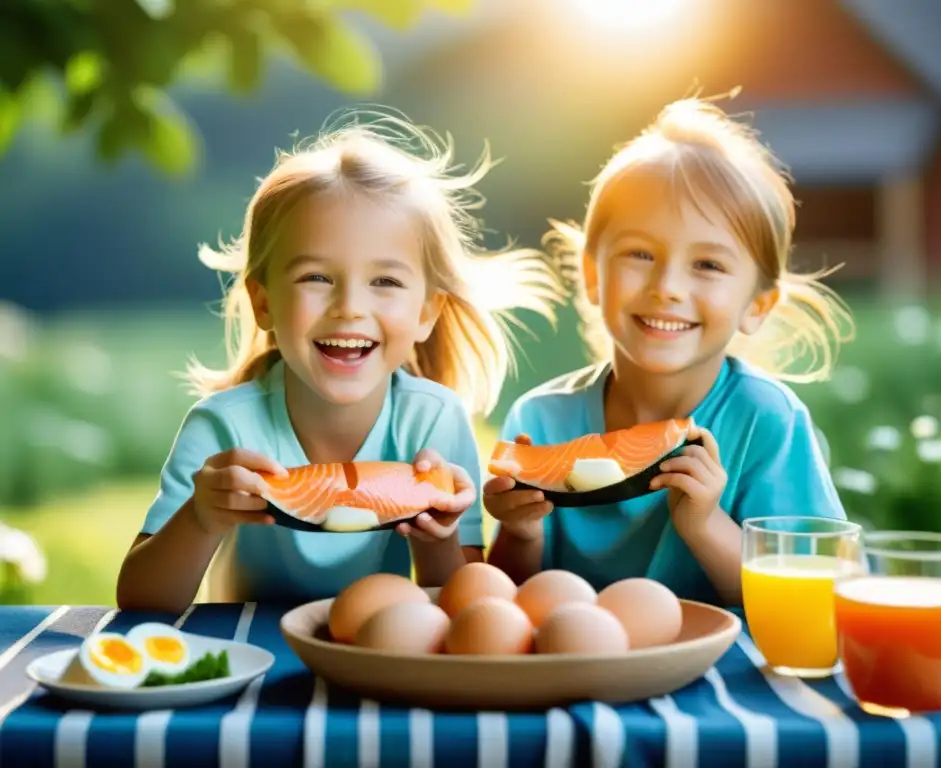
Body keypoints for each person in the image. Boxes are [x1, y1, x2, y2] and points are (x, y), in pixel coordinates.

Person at [117, 111, 565, 613]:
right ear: (264, 303)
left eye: (385, 282)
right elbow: (139, 601)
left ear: (425, 313)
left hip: (378, 655)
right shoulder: (222, 427)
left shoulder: (433, 421)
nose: (350, 307)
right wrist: (200, 519)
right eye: (317, 277)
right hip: (253, 655)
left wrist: (436, 538)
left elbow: (458, 606)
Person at [484, 96, 855, 606]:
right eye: (640, 254)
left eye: (707, 265)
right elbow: (505, 604)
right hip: (575, 673)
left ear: (757, 304)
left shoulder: (767, 420)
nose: (668, 287)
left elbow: (810, 602)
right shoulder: (541, 420)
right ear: (594, 276)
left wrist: (704, 525)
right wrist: (520, 534)